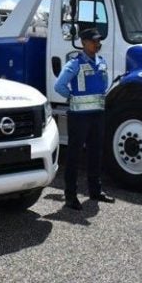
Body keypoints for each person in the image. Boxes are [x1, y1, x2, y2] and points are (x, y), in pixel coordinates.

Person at [53, 27, 115, 210]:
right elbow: (59, 85)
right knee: (74, 155)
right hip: (79, 116)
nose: (98, 43)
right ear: (84, 43)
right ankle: (70, 195)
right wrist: (72, 97)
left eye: (99, 41)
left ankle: (95, 190)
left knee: (96, 153)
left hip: (97, 114)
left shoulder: (101, 61)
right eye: (94, 41)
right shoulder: (75, 64)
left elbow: (104, 84)